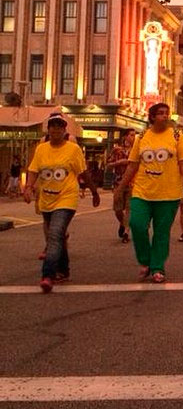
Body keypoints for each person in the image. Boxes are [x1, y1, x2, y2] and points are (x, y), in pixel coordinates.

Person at [114, 103, 183, 283]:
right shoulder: (142, 137)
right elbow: (133, 164)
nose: (164, 116)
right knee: (136, 224)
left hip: (169, 194)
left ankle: (158, 267)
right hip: (142, 192)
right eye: (160, 113)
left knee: (161, 232)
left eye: (166, 113)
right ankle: (145, 261)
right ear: (151, 117)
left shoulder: (176, 136)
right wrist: (120, 188)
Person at [23, 113, 100, 292]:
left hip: (66, 197)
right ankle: (63, 270)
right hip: (47, 198)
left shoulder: (73, 149)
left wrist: (94, 191)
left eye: (59, 126)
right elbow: (33, 170)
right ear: (48, 130)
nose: (56, 130)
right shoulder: (41, 149)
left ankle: (48, 275)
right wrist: (28, 187)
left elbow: (83, 172)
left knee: (55, 233)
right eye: (53, 126)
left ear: (65, 130)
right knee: (57, 234)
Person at [107, 128, 136, 243]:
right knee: (118, 209)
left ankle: (126, 232)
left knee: (129, 208)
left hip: (133, 183)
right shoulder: (117, 150)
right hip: (118, 183)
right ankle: (123, 223)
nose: (133, 138)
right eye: (131, 135)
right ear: (125, 137)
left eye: (134, 135)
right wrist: (119, 163)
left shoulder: (137, 151)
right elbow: (108, 165)